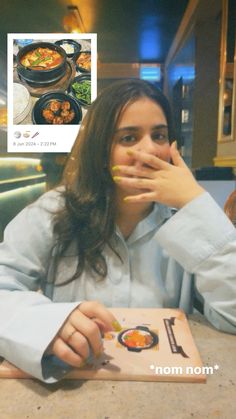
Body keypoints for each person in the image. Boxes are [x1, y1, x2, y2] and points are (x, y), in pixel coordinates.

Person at [0, 79, 235, 383]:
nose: (148, 150)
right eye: (128, 137)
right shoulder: (52, 212)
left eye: (159, 135)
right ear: (101, 149)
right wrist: (48, 323)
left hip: (166, 388)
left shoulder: (188, 220)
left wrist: (195, 204)